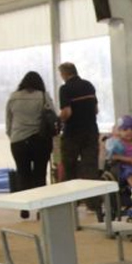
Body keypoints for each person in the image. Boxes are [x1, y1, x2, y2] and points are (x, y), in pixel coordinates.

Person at [5, 71, 54, 219]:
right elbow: (52, 116)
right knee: (40, 173)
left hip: (18, 141)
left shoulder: (13, 97)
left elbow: (8, 121)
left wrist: (12, 136)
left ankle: (24, 208)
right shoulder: (43, 96)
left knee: (22, 173)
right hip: (40, 140)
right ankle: (40, 208)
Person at [57, 62, 101, 214]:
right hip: (91, 131)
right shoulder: (89, 85)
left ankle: (71, 202)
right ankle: (93, 204)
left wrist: (59, 120)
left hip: (73, 133)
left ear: (64, 74)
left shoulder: (65, 88)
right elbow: (96, 110)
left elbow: (67, 112)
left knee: (70, 167)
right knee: (90, 167)